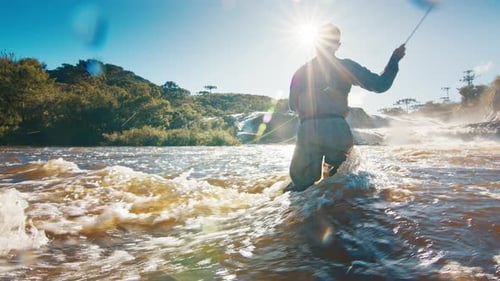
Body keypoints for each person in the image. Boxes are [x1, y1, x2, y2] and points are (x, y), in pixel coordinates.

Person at [286, 23, 406, 192]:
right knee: (339, 186)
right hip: (337, 129)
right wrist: (394, 60)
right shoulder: (346, 66)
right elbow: (380, 85)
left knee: (301, 189)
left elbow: (292, 105)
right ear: (337, 46)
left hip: (307, 130)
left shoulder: (300, 72)